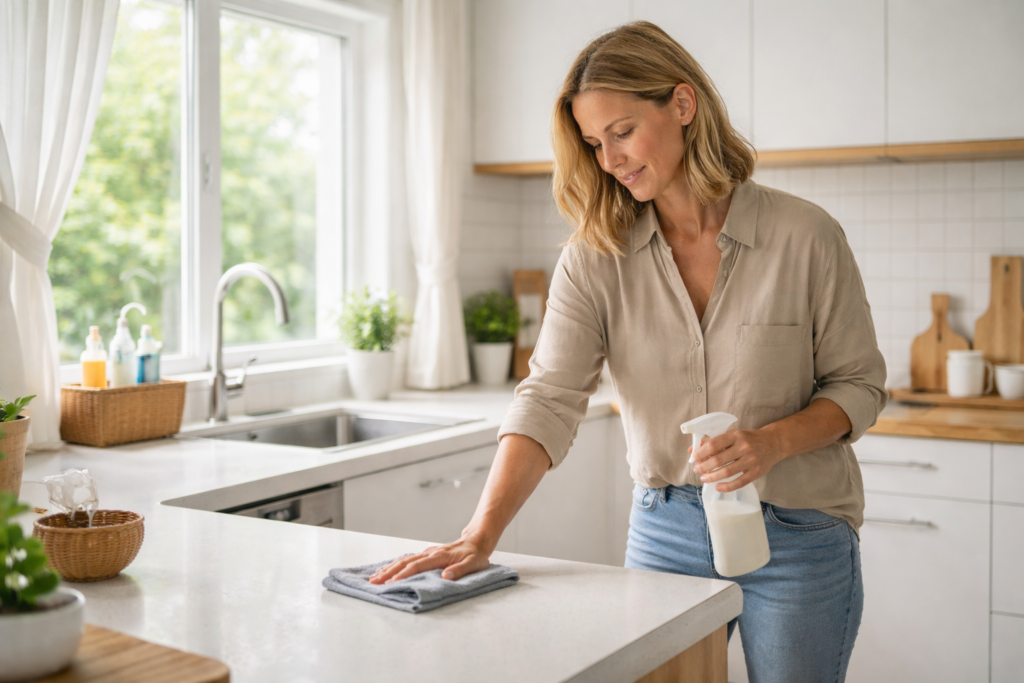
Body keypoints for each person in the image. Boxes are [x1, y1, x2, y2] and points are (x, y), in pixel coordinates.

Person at [370, 21, 886, 683]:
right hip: (666, 529)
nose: (609, 159)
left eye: (621, 131)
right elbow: (549, 396)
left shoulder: (806, 235)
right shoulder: (595, 256)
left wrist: (773, 442)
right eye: (593, 142)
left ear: (682, 104)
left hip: (797, 531)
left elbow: (860, 387)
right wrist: (480, 533)